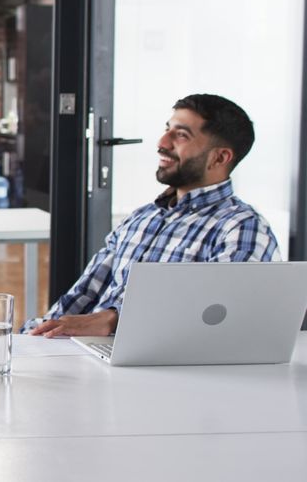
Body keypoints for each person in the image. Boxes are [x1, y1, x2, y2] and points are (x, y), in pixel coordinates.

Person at [25, 93, 280, 338]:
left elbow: (222, 321)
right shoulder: (143, 218)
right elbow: (83, 294)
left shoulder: (242, 228)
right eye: (167, 129)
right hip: (94, 354)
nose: (162, 142)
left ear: (220, 157)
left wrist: (115, 321)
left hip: (164, 369)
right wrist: (35, 335)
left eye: (181, 135)